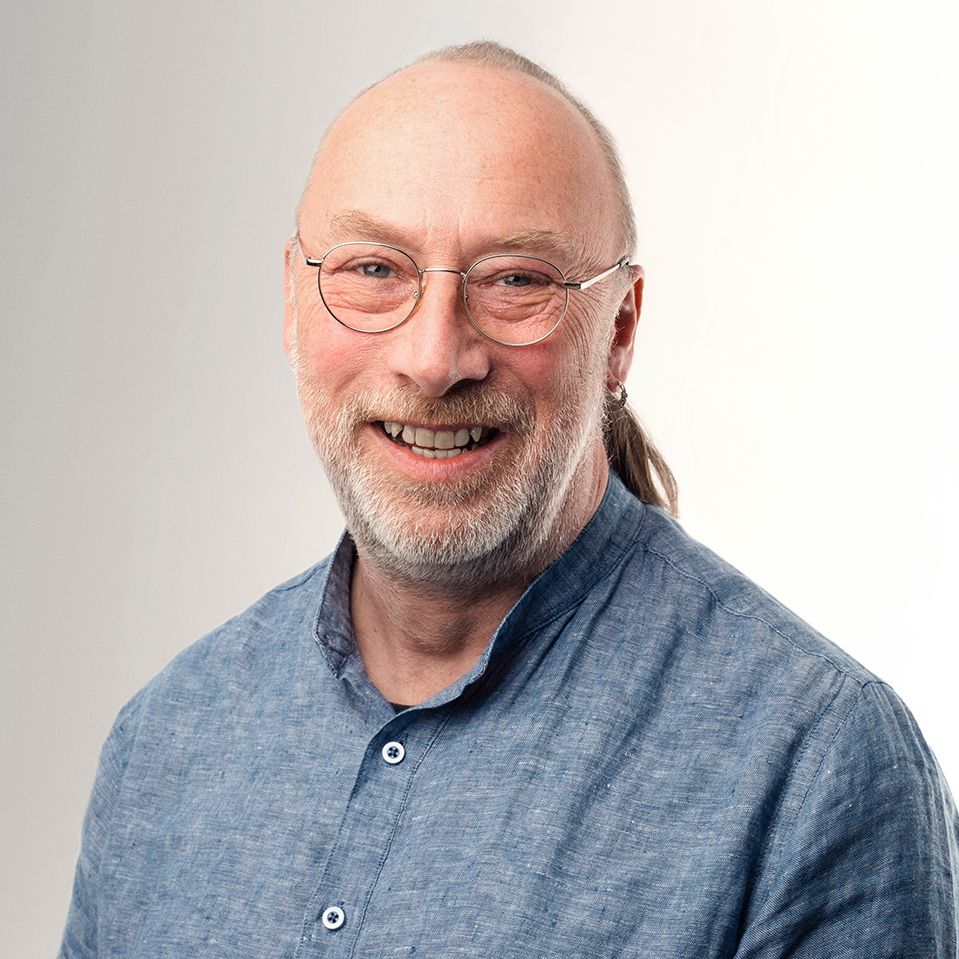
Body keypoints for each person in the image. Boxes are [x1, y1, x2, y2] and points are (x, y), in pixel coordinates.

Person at [60, 41, 958, 958]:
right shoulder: (163, 742)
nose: (433, 357)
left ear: (619, 333)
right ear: (293, 303)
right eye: (374, 269)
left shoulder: (815, 765)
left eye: (515, 280)